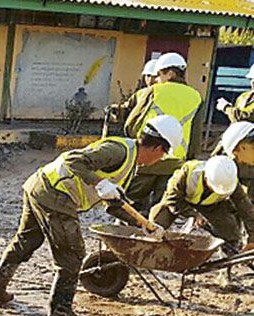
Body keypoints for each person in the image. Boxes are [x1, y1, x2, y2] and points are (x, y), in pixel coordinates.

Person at [0, 115, 183, 316]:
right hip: (56, 194)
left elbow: (113, 204)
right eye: (164, 154)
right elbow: (72, 160)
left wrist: (144, 225)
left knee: (26, 242)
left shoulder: (131, 162)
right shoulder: (119, 151)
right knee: (73, 254)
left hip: (40, 187)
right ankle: (60, 311)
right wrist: (100, 182)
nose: (161, 159)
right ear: (158, 148)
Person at [124, 52, 203, 212]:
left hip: (148, 157)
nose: (157, 79)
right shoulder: (196, 96)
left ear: (170, 73)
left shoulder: (154, 91)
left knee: (132, 203)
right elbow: (196, 133)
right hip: (175, 161)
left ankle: (127, 234)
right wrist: (189, 159)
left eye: (159, 75)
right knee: (161, 207)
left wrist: (136, 145)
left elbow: (131, 124)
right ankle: (154, 234)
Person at [150, 156, 254, 256]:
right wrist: (194, 215)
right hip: (180, 201)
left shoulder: (231, 183)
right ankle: (152, 247)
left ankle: (230, 252)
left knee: (229, 229)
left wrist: (252, 239)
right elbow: (172, 200)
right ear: (206, 177)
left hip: (211, 205)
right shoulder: (186, 174)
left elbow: (246, 209)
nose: (215, 190)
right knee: (158, 220)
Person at [109, 59, 157, 124]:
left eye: (154, 76)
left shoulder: (166, 94)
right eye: (148, 76)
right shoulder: (141, 93)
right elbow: (128, 108)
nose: (150, 80)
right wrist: (116, 109)